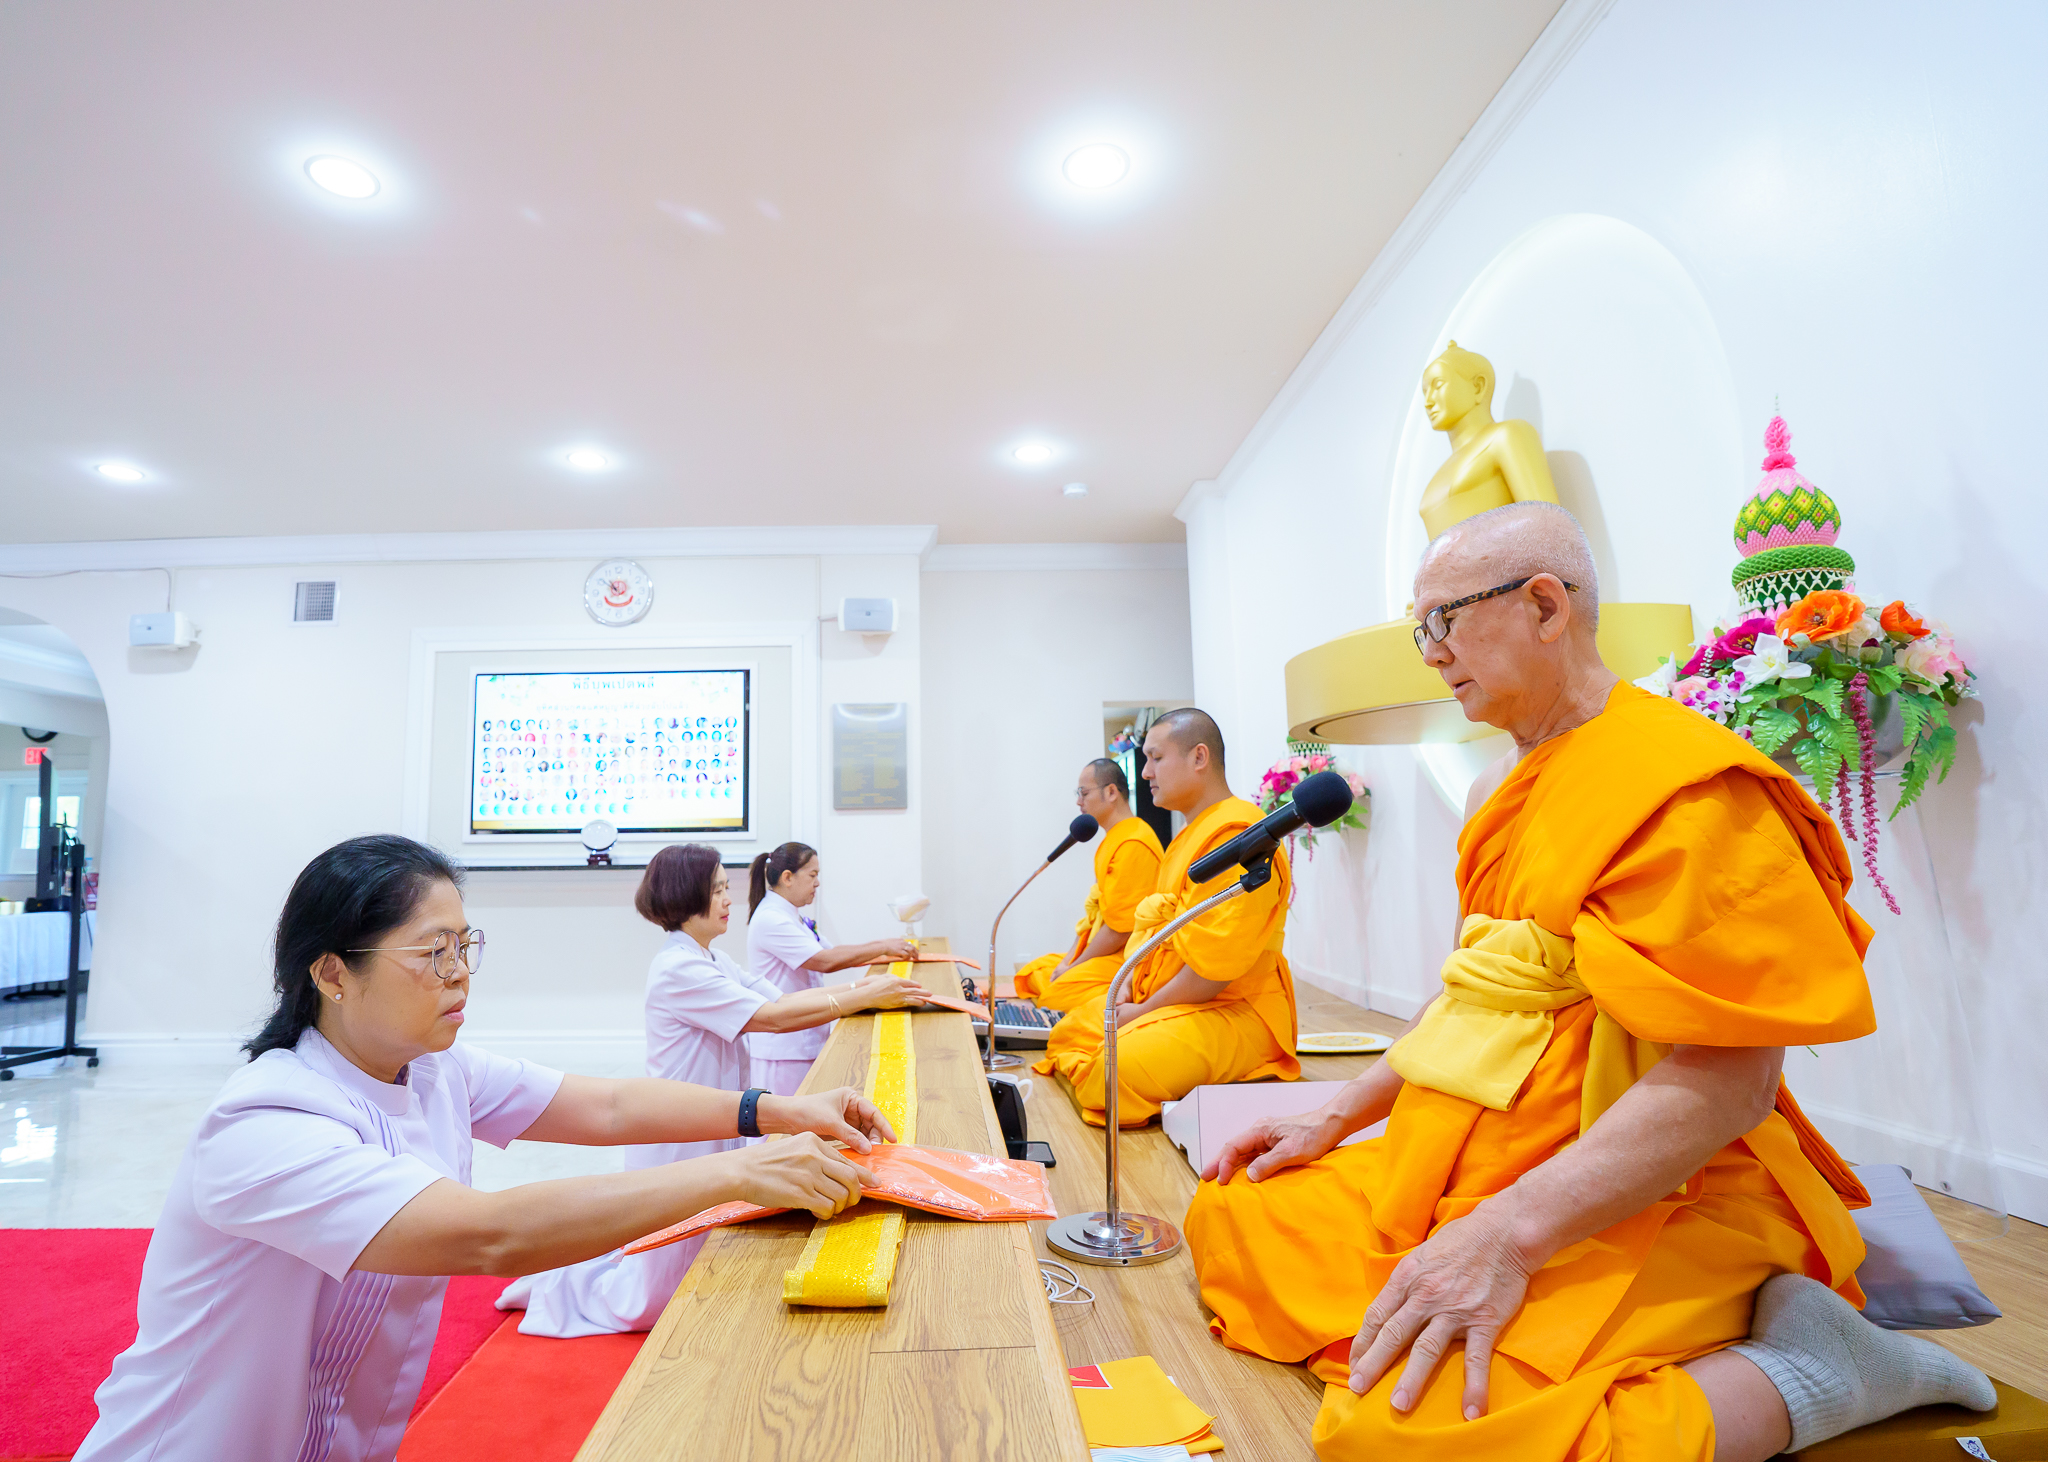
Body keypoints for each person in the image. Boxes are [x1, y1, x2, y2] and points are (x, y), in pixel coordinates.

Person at [1183, 503, 1994, 1462]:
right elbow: (1473, 1001)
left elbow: (1732, 1078)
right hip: (1472, 1158)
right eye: (1420, 630)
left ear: (1544, 605)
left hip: (1644, 1186)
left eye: (1443, 620)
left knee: (1398, 1436)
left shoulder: (1686, 784)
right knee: (1235, 1208)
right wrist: (1336, 1113)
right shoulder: (1494, 788)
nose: (1430, 653)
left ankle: (1813, 1372)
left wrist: (1506, 1237)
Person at [76, 835, 887, 1462]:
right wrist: (739, 1171)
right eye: (433, 953)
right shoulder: (267, 1121)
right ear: (332, 974)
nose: (461, 974)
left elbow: (605, 1105)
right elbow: (490, 1235)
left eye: (466, 946)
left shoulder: (435, 1070)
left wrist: (777, 1110)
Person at [498, 844, 929, 1335]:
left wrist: (862, 993)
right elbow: (772, 1017)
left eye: (726, 888)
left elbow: (783, 999)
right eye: (717, 890)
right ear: (687, 896)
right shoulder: (678, 969)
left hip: (714, 1120)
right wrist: (865, 994)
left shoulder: (713, 958)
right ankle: (556, 1289)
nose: (729, 900)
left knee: (701, 1256)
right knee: (649, 1298)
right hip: (677, 1132)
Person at [1034, 710, 1299, 1127]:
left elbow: (1214, 970)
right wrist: (1128, 986)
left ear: (1199, 757)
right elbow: (1155, 932)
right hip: (1165, 991)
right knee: (1069, 1030)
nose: (1145, 773)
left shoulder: (1238, 834)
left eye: (1155, 758)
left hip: (1232, 1006)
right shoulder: (1189, 834)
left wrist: (1142, 1011)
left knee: (1114, 1071)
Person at [746, 841, 917, 1095]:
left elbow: (834, 952)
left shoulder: (791, 915)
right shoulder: (771, 919)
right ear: (787, 878)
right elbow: (825, 961)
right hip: (784, 1048)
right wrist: (883, 947)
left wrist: (884, 949)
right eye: (812, 875)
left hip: (803, 1038)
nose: (817, 883)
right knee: (787, 1119)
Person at [1012, 757, 1165, 1008]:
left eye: (1084, 793)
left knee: (1057, 992)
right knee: (1033, 972)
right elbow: (1095, 916)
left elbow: (1120, 930)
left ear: (1111, 792)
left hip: (1126, 956)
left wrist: (1075, 966)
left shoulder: (1134, 843)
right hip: (1105, 952)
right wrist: (1069, 961)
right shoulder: (1114, 839)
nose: (1078, 801)